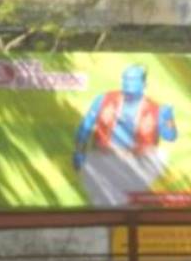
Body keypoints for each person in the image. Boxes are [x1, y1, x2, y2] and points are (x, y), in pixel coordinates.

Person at [73, 64, 177, 207]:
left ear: (143, 84)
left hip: (136, 165)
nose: (129, 83)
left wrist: (168, 119)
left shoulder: (156, 109)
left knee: (128, 206)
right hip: (105, 159)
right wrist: (79, 150)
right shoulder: (104, 99)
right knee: (102, 203)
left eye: (133, 80)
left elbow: (170, 136)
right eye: (126, 79)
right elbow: (86, 126)